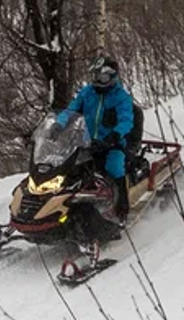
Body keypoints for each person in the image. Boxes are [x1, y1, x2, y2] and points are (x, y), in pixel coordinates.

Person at [57, 55, 134, 220]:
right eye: (96, 75)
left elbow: (126, 121)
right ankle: (62, 207)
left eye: (103, 76)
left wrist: (113, 136)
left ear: (112, 76)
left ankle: (122, 207)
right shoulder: (87, 93)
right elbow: (71, 110)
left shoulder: (120, 97)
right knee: (68, 169)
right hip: (87, 142)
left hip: (112, 143)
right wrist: (58, 125)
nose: (98, 79)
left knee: (114, 167)